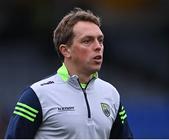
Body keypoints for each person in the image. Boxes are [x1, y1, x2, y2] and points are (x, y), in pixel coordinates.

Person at [5, 7, 133, 139]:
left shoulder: (111, 94)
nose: (98, 47)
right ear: (65, 50)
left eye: (100, 40)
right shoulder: (36, 96)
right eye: (87, 41)